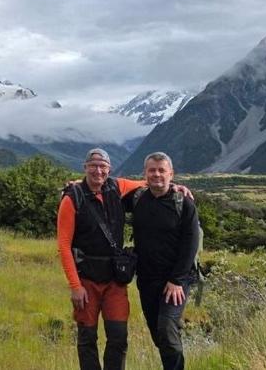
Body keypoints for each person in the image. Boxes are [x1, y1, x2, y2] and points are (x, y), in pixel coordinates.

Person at [57, 148, 147, 370]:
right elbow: (64, 246)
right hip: (86, 280)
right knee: (87, 339)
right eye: (93, 165)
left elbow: (149, 184)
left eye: (103, 166)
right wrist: (75, 286)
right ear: (85, 167)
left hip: (115, 281)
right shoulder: (72, 199)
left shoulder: (117, 186)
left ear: (109, 169)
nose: (98, 170)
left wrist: (176, 187)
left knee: (118, 337)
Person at [122, 152, 200, 370]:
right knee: (159, 334)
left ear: (171, 174)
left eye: (161, 170)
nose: (157, 174)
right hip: (147, 279)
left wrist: (176, 280)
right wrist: (79, 183)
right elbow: (104, 190)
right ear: (145, 174)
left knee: (166, 327)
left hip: (177, 280)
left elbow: (190, 244)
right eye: (152, 170)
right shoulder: (137, 199)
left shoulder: (183, 203)